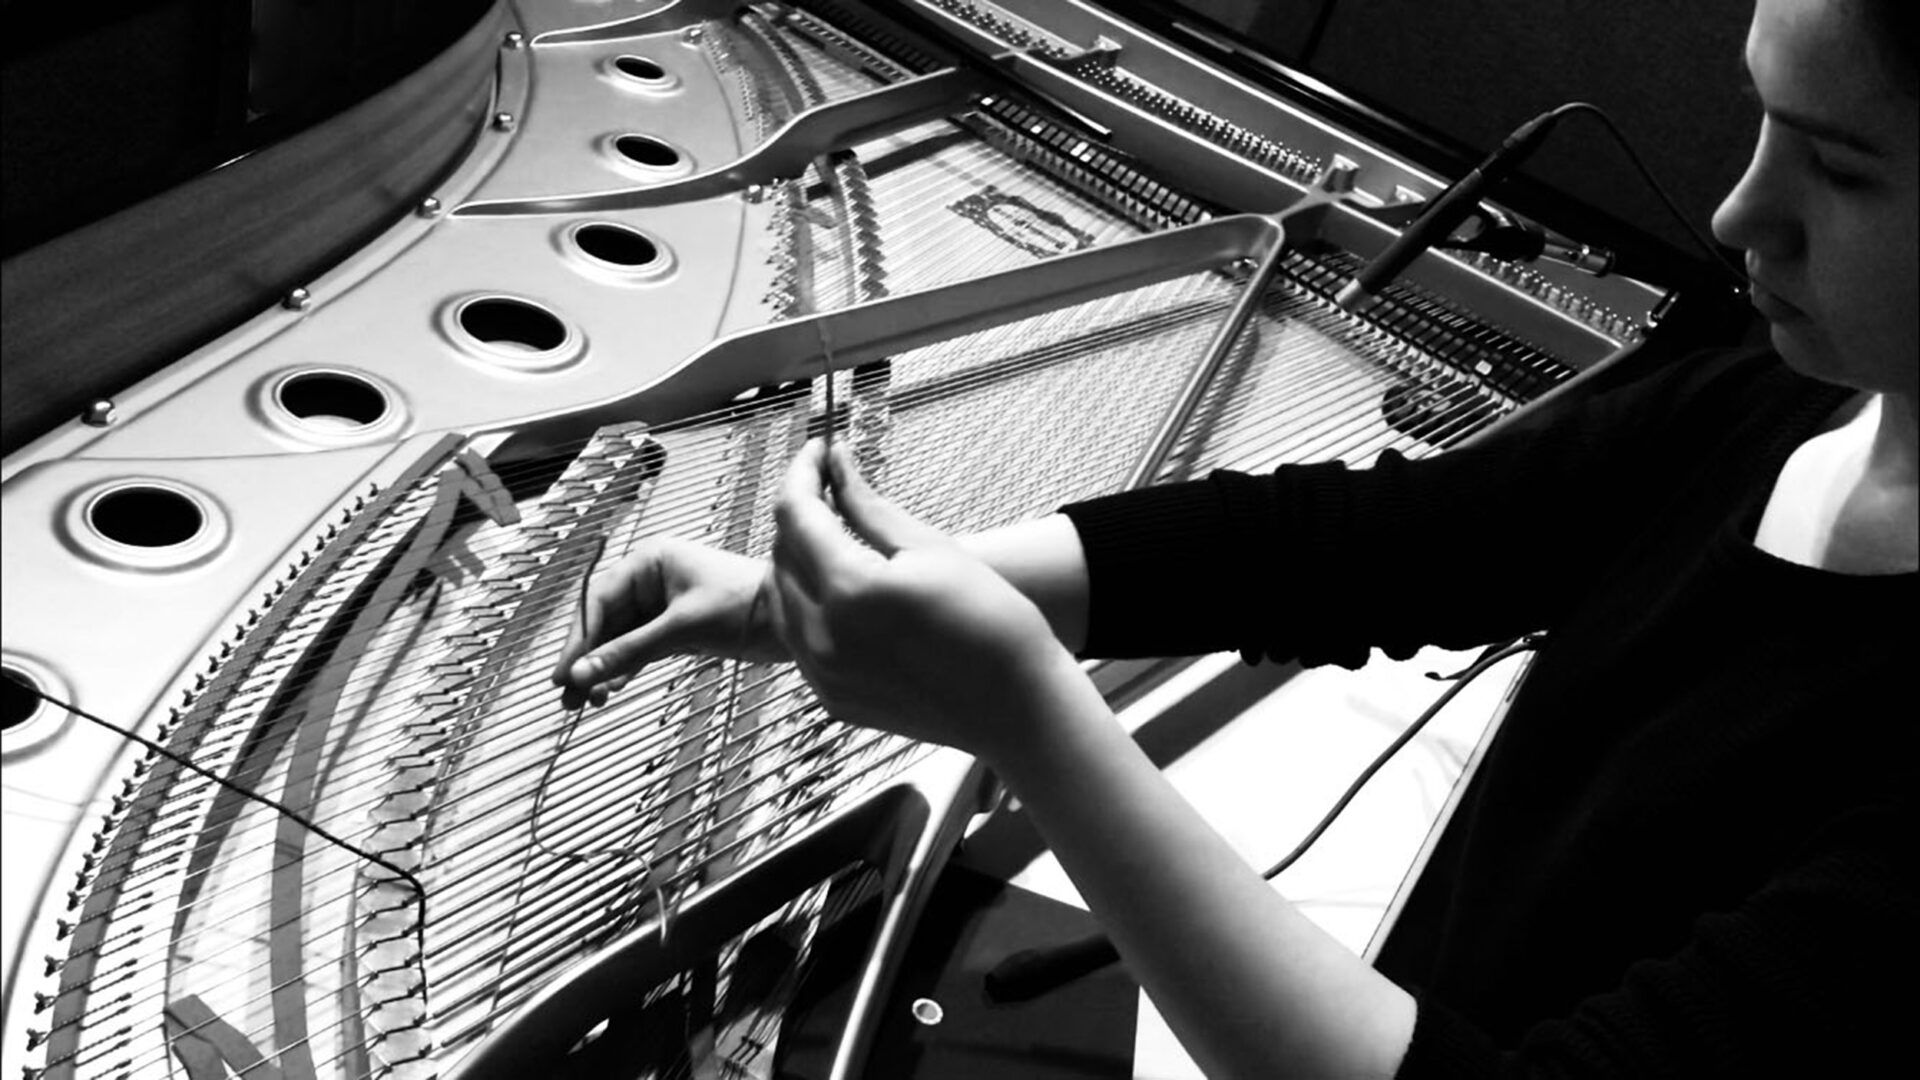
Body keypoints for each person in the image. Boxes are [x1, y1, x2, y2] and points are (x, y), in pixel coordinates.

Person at [555, 0, 1917, 1074]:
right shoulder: (1793, 392)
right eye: (1760, 120)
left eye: (1842, 167)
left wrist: (1030, 717)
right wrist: (885, 583)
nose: (1741, 213)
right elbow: (1379, 540)